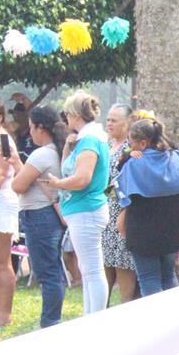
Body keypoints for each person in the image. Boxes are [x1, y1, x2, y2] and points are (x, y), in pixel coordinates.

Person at [47, 90, 110, 315]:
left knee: (92, 270)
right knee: (88, 267)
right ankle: (90, 314)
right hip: (82, 209)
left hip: (87, 209)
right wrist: (66, 149)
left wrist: (58, 184)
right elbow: (69, 169)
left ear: (74, 115)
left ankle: (95, 316)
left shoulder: (90, 140)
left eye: (67, 114)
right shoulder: (85, 140)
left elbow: (82, 178)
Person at [114, 119, 179, 296]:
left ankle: (156, 322)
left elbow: (115, 190)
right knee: (168, 276)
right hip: (173, 231)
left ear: (143, 143)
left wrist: (126, 157)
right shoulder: (178, 158)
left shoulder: (134, 165)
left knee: (149, 279)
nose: (129, 145)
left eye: (131, 142)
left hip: (144, 235)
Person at [9, 105, 67, 328]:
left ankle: (50, 322)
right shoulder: (57, 150)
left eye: (31, 126)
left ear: (40, 128)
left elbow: (18, 184)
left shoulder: (42, 153)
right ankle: (52, 319)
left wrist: (19, 172)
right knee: (53, 269)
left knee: (47, 273)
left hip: (39, 216)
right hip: (48, 215)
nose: (29, 131)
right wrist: (16, 163)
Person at [103, 103, 138, 304]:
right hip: (103, 217)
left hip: (122, 215)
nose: (109, 124)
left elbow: (123, 182)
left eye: (114, 120)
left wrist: (107, 193)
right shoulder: (106, 146)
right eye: (108, 119)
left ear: (127, 123)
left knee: (124, 269)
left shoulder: (130, 149)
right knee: (104, 270)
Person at [0, 97, 20, 331]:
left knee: (1, 262)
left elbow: (0, 175)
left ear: (0, 115)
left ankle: (5, 315)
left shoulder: (2, 141)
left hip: (0, 204)